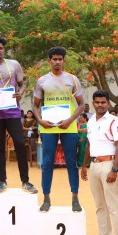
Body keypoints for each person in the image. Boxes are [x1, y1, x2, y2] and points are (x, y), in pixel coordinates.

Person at [0, 36, 37, 194]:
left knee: (19, 142)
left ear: (4, 50)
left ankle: (25, 181)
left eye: (1, 48)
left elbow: (22, 84)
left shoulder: (14, 64)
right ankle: (2, 181)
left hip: (12, 110)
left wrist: (20, 94)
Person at [33, 46, 84, 212]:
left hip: (68, 126)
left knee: (71, 162)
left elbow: (81, 104)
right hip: (48, 126)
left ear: (64, 61)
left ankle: (75, 198)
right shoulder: (42, 81)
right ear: (49, 61)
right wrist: (40, 120)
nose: (57, 62)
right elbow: (35, 106)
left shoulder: (72, 79)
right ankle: (46, 198)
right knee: (47, 162)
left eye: (60, 59)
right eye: (54, 59)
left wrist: (69, 120)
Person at [81, 90, 118, 235]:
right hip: (94, 165)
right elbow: (88, 144)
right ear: (93, 103)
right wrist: (84, 165)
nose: (100, 105)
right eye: (97, 102)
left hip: (108, 164)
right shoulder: (91, 121)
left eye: (103, 102)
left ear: (108, 103)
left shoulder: (115, 121)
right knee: (100, 205)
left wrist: (114, 169)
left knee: (113, 206)